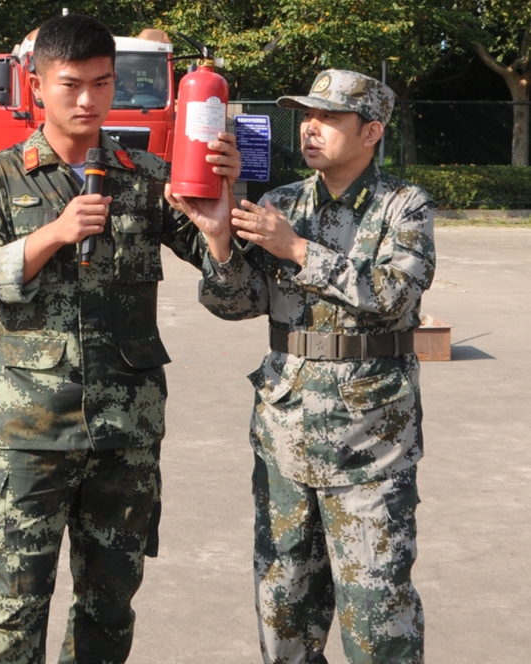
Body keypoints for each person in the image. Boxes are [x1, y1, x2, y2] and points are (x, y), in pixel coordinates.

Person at [0, 13, 239, 664]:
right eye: (71, 84)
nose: (88, 100)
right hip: (32, 435)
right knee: (13, 610)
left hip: (125, 436)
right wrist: (52, 234)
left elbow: (234, 297)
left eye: (102, 84)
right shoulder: (0, 177)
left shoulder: (149, 176)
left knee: (109, 609)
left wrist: (220, 227)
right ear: (36, 85)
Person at [170, 70, 435, 664]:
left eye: (329, 118)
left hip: (372, 441)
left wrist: (294, 248)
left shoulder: (403, 205)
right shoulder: (281, 203)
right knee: (283, 609)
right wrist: (218, 240)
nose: (310, 128)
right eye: (306, 116)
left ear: (371, 132)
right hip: (285, 433)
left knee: (377, 616)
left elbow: (394, 294)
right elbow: (237, 303)